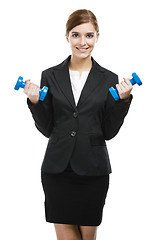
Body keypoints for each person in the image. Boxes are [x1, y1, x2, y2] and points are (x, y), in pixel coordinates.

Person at [24, 9, 133, 240]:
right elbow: (46, 128)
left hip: (93, 170)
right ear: (67, 37)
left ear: (97, 37)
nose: (82, 42)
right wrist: (35, 102)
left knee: (87, 237)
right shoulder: (50, 76)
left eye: (89, 35)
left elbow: (109, 131)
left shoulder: (108, 79)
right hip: (57, 170)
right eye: (76, 35)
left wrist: (123, 100)